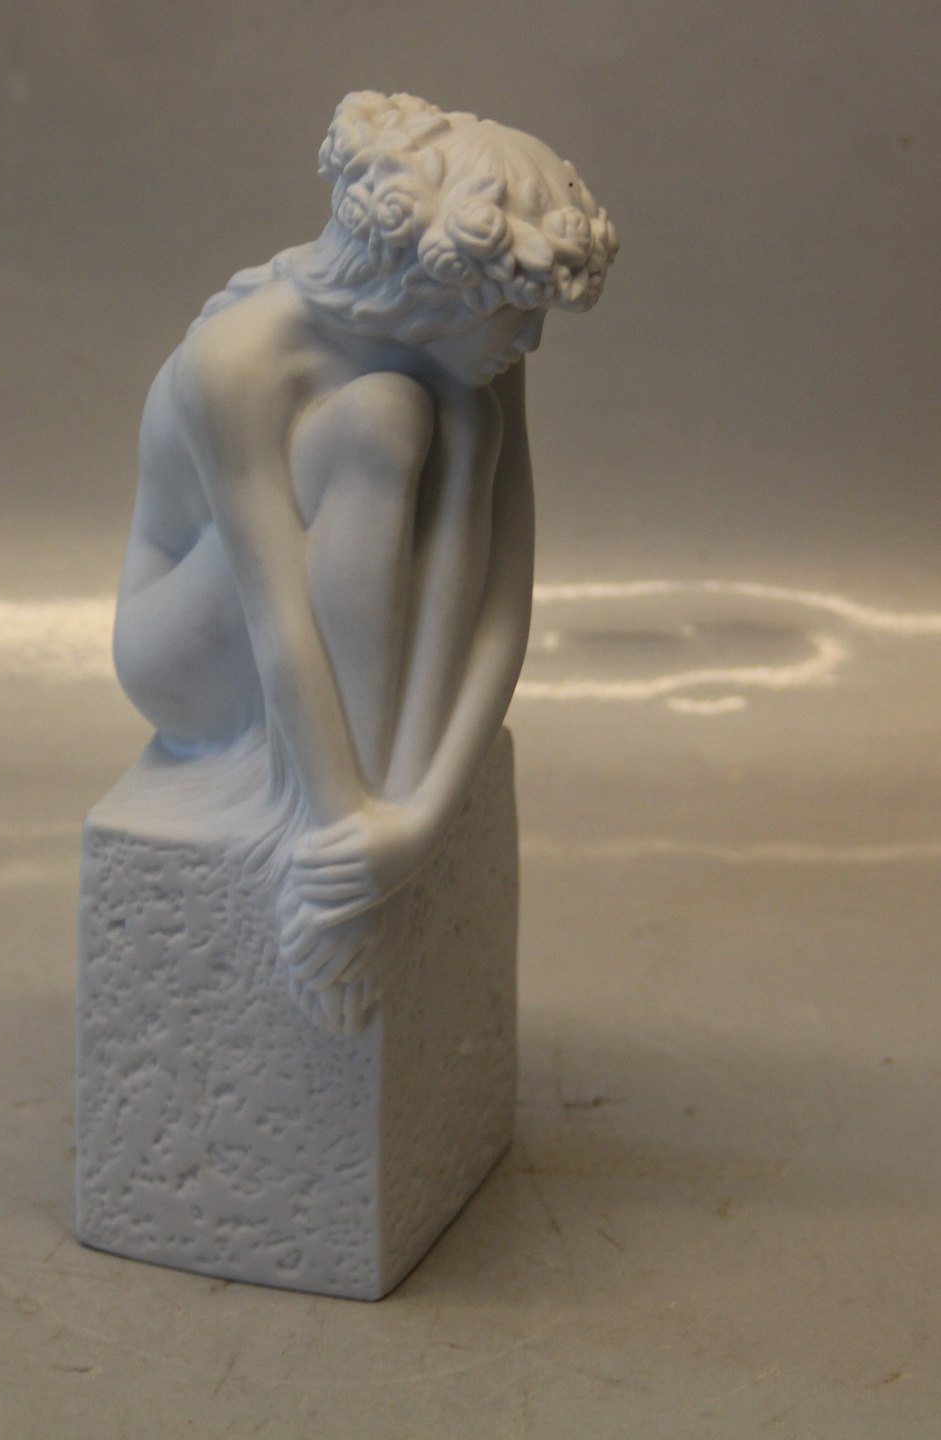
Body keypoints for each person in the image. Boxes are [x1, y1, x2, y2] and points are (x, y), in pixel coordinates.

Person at [112, 91, 618, 1031]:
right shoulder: (238, 360)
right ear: (435, 287)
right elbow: (278, 622)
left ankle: (379, 796)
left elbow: (502, 592)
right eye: (515, 314)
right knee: (382, 416)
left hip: (332, 647)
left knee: (455, 420)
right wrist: (340, 842)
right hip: (184, 651)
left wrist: (414, 824)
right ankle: (338, 837)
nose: (529, 339)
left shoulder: (477, 348)